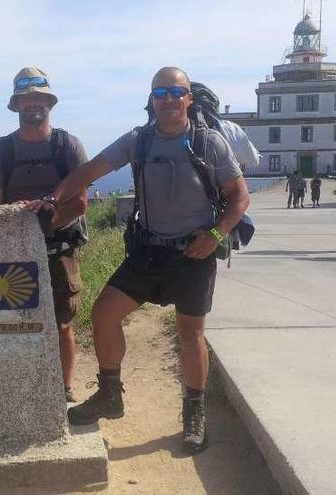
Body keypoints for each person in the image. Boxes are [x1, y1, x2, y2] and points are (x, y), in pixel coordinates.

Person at [49, 67, 250, 454]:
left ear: (189, 98)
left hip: (195, 253)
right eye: (161, 92)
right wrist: (52, 199)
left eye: (177, 92)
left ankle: (194, 415)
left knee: (190, 334)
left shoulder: (208, 143)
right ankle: (110, 394)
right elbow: (89, 171)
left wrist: (215, 235)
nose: (169, 99)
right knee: (104, 313)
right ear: (152, 99)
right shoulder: (138, 141)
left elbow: (239, 197)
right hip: (148, 251)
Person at [0, 67, 88, 403]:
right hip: (14, 253)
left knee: (62, 324)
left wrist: (45, 222)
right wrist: (9, 216)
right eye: (25, 100)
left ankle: (64, 389)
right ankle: (19, 388)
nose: (32, 105)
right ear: (16, 106)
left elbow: (80, 203)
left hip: (59, 249)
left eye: (38, 99)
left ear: (49, 103)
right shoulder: (1, 151)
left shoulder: (67, 145)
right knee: (14, 326)